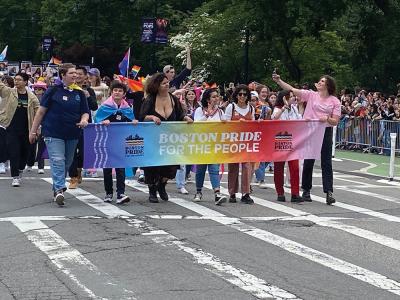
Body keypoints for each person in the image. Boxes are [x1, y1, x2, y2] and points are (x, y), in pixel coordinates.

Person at [272, 72, 341, 205]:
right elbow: (292, 89)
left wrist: (327, 118)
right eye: (319, 81)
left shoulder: (334, 101)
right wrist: (279, 81)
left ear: (328, 85)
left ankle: (329, 192)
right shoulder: (311, 95)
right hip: (310, 130)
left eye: (322, 81)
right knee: (308, 159)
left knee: (326, 162)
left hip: (325, 130)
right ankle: (306, 190)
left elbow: (335, 121)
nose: (319, 83)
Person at [29, 63, 90, 206]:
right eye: (71, 73)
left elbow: (85, 111)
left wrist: (84, 119)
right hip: (53, 131)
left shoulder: (79, 93)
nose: (75, 75)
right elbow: (41, 111)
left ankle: (58, 186)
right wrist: (33, 130)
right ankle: (58, 190)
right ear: (63, 75)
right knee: (57, 160)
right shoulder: (53, 90)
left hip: (73, 132)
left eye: (76, 73)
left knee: (67, 162)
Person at [139, 73, 193, 203]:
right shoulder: (150, 99)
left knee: (170, 166)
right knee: (152, 166)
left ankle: (162, 185)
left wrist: (186, 118)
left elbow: (180, 115)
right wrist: (152, 117)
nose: (167, 84)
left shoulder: (173, 99)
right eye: (163, 83)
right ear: (157, 86)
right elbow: (142, 116)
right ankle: (152, 190)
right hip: (153, 139)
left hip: (170, 140)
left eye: (167, 82)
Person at [94, 81, 137, 204]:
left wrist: (133, 121)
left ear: (124, 94)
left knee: (120, 168)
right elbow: (97, 119)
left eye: (120, 91)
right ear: (111, 92)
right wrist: (103, 121)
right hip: (106, 140)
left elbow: (131, 120)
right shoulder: (105, 106)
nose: (117, 92)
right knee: (107, 168)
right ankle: (108, 193)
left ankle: (120, 193)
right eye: (115, 90)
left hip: (121, 141)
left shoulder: (127, 108)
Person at [0, 72, 39, 186]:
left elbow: (38, 111)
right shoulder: (9, 92)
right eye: (15, 79)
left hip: (27, 129)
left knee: (24, 153)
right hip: (11, 128)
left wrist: (37, 128)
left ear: (26, 82)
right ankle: (15, 176)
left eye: (19, 80)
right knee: (14, 152)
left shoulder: (32, 97)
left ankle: (21, 169)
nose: (16, 81)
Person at [193, 88, 227, 205]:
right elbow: (196, 124)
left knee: (214, 169)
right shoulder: (199, 110)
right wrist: (207, 115)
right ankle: (198, 192)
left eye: (217, 96)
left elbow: (225, 125)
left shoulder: (220, 112)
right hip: (202, 144)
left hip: (214, 145)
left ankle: (217, 193)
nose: (216, 99)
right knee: (201, 170)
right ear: (207, 99)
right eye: (213, 97)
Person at [68, 66, 98, 189]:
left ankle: (79, 169)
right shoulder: (69, 89)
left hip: (86, 125)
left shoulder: (89, 90)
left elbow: (94, 106)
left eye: (80, 74)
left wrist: (87, 96)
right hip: (71, 124)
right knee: (71, 151)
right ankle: (73, 177)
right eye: (75, 73)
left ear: (86, 76)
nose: (78, 76)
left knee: (85, 151)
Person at [224, 84, 255, 204]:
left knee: (247, 167)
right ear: (236, 95)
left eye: (245, 94)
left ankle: (246, 193)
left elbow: (253, 124)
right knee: (233, 168)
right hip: (233, 141)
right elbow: (225, 123)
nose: (242, 96)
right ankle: (232, 192)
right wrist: (237, 122)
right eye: (240, 94)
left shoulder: (251, 108)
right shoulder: (231, 107)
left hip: (246, 142)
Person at [271, 90, 303, 203]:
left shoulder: (294, 108)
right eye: (291, 97)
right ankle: (280, 192)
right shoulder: (278, 109)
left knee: (295, 167)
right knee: (279, 168)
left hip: (293, 141)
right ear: (284, 98)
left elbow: (300, 120)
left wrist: (300, 106)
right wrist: (284, 108)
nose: (293, 98)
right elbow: (274, 118)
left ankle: (295, 193)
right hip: (280, 141)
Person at [0, 75, 15, 174]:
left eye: (5, 83)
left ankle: (7, 161)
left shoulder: (12, 93)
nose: (3, 85)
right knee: (1, 143)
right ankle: (1, 162)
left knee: (9, 144)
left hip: (10, 122)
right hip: (1, 122)